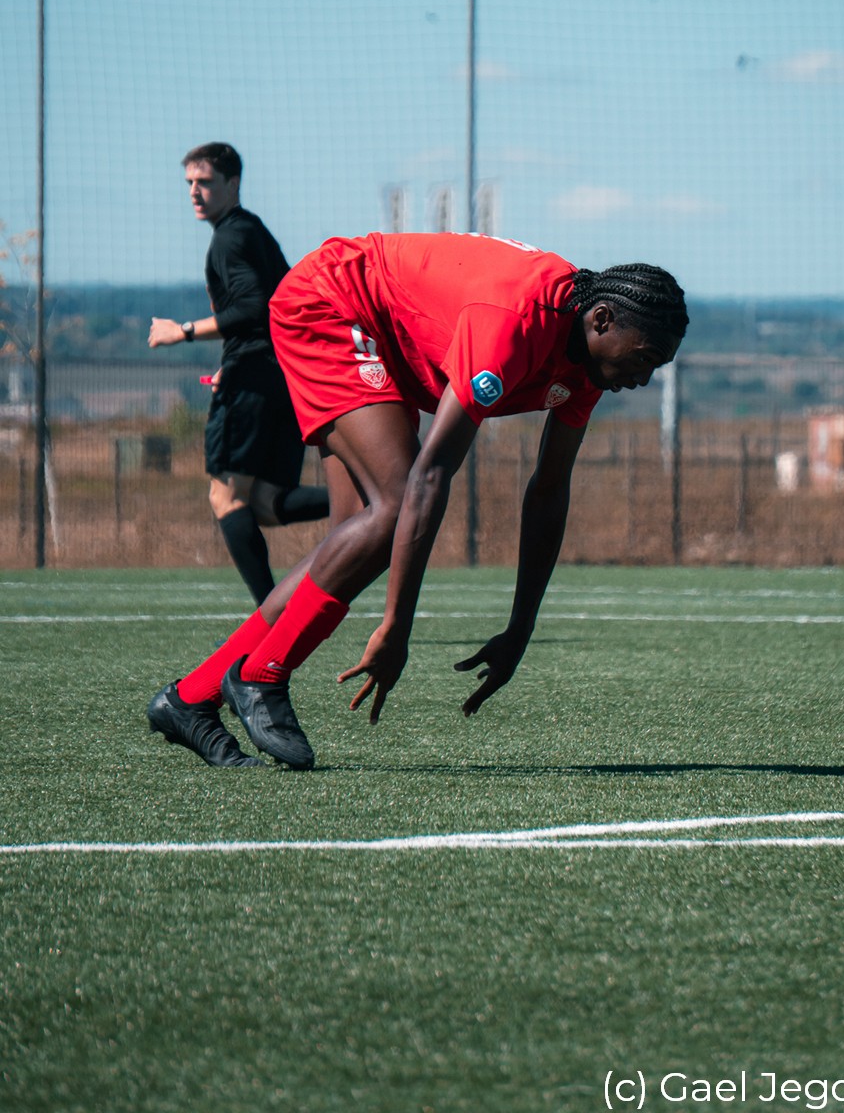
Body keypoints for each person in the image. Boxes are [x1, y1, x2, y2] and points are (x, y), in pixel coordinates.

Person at [147, 232, 688, 770]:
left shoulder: (589, 368)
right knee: (393, 506)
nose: (642, 379)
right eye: (643, 359)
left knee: (353, 545)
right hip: (331, 301)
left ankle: (189, 700)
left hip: (391, 338)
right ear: (602, 321)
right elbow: (429, 476)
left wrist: (520, 629)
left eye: (654, 367)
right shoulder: (514, 323)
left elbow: (548, 493)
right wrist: (396, 626)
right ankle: (260, 674)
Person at [147, 143, 329, 607]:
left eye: (205, 182)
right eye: (189, 183)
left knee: (226, 498)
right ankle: (372, 503)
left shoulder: (230, 237)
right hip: (282, 375)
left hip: (255, 379)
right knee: (266, 502)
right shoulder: (252, 230)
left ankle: (269, 620)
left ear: (233, 184)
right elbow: (279, 305)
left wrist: (182, 331)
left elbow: (253, 308)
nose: (194, 191)